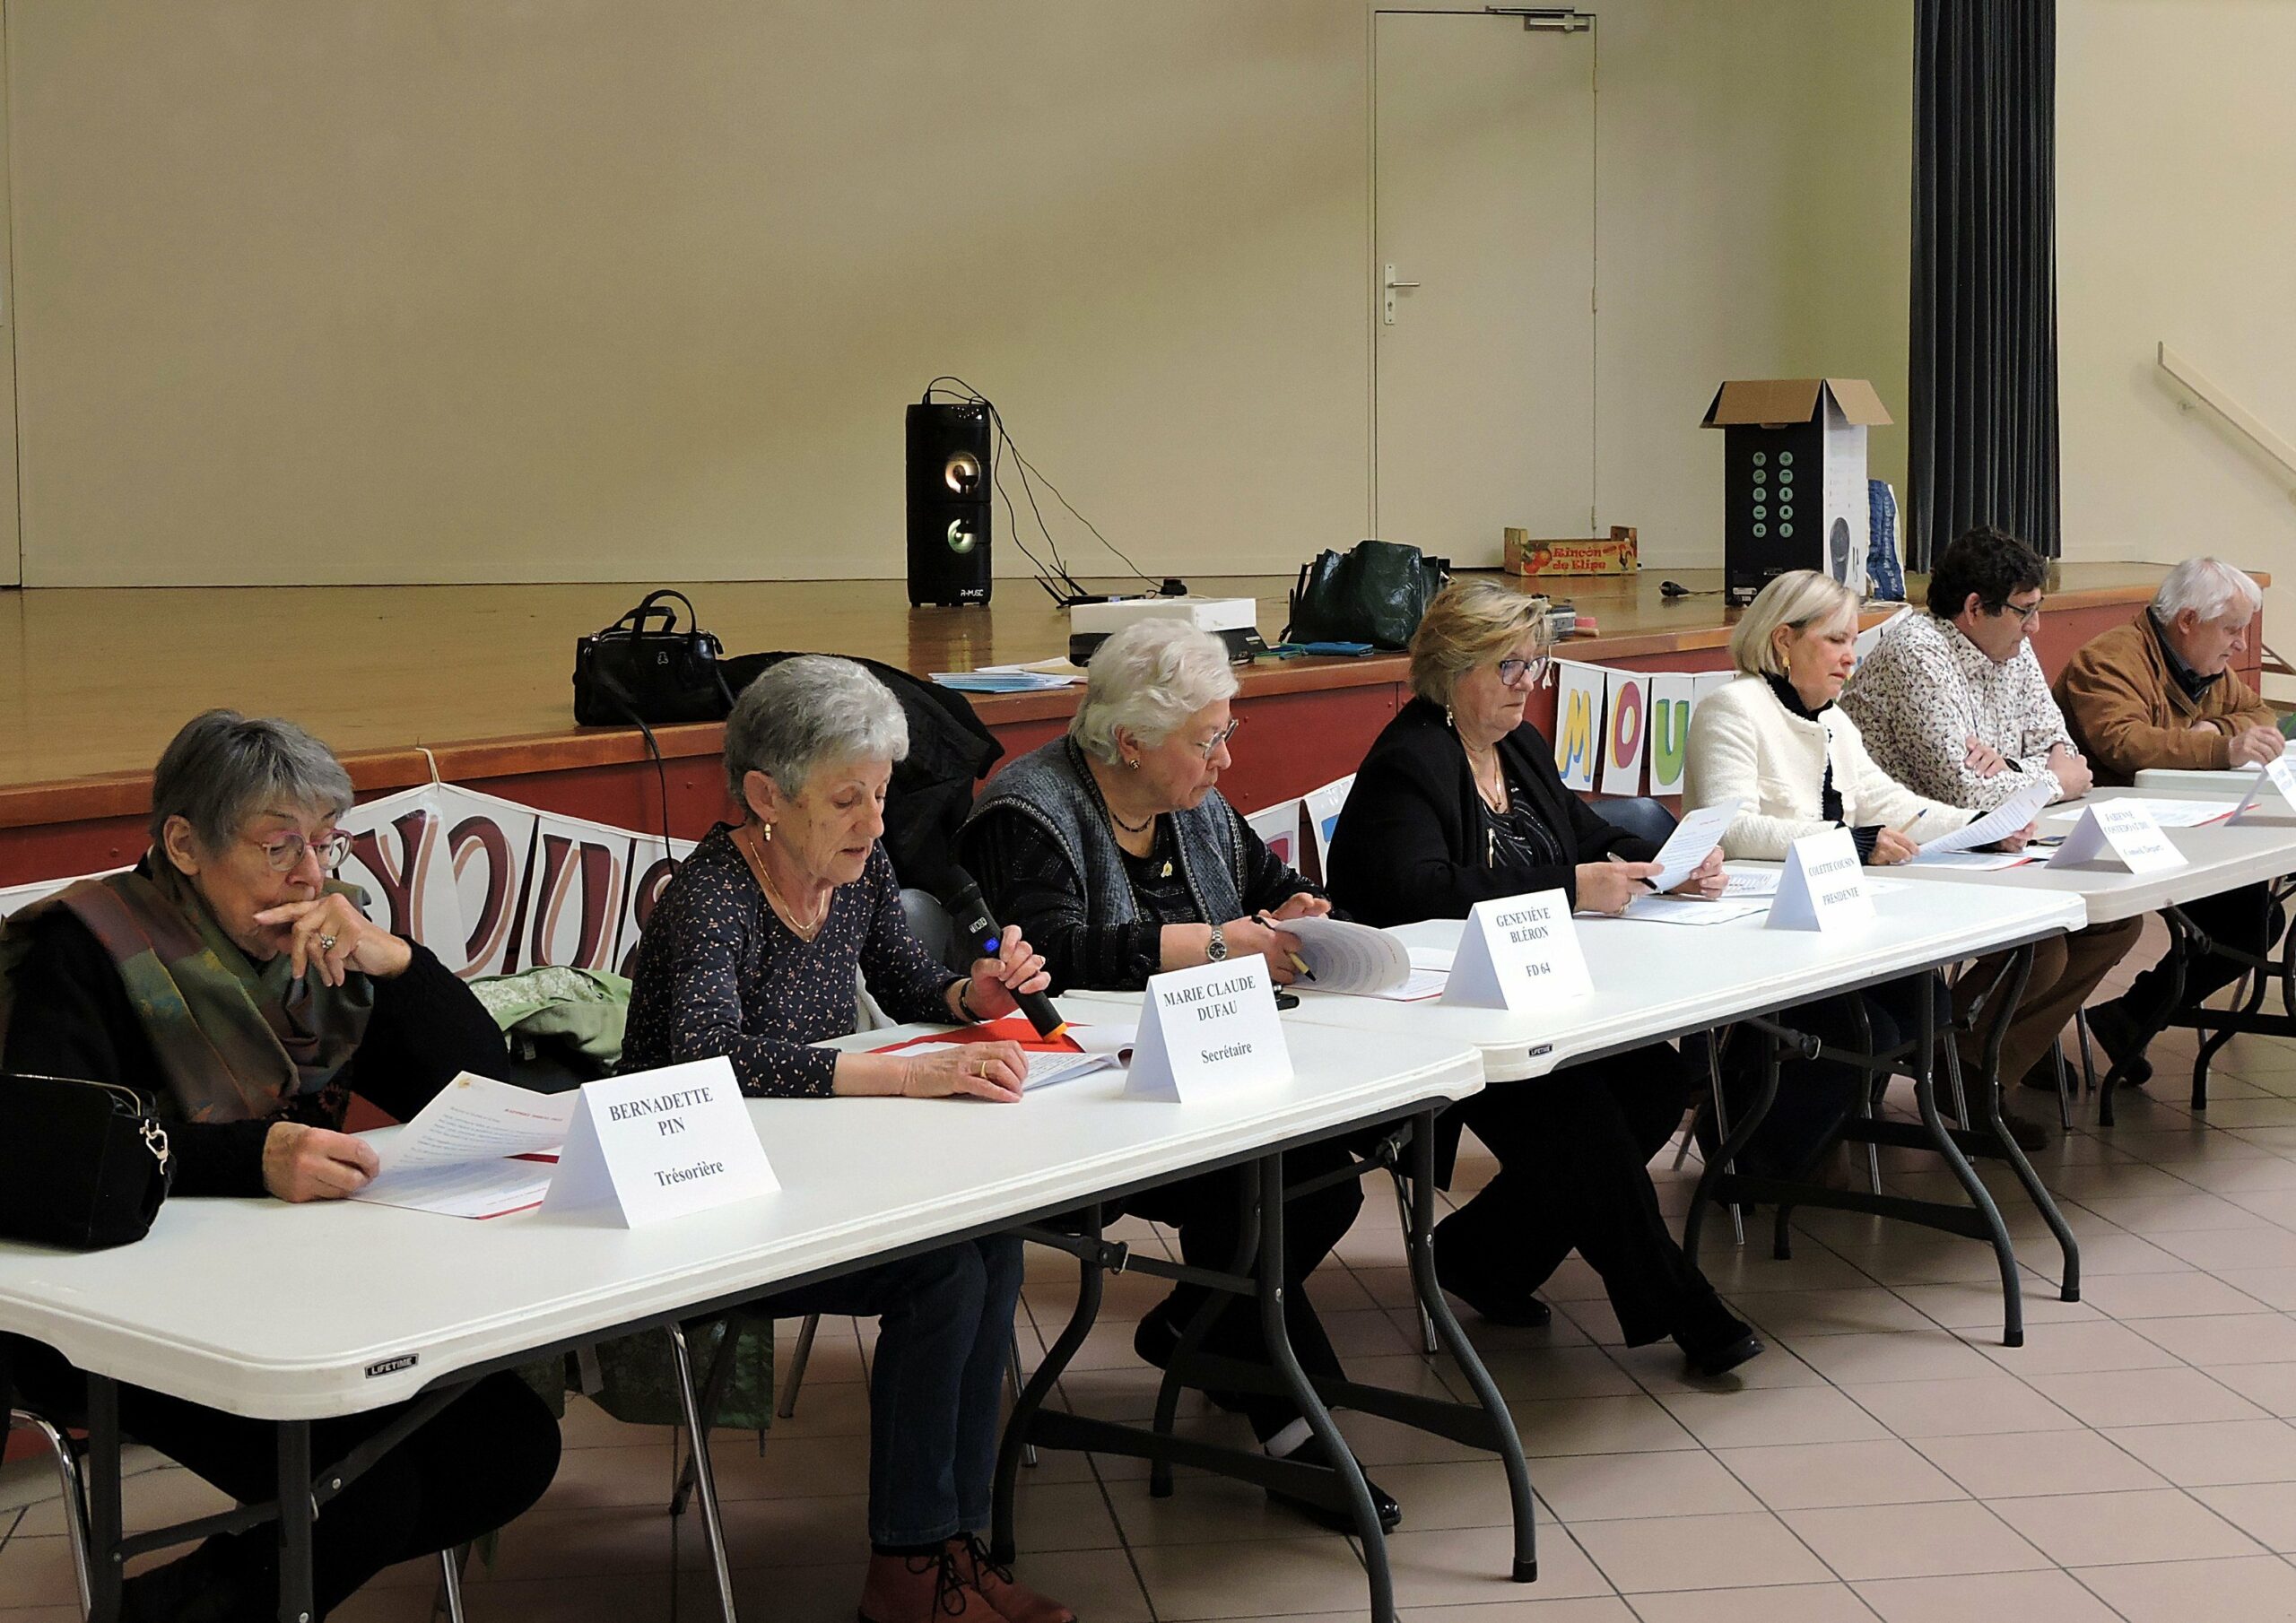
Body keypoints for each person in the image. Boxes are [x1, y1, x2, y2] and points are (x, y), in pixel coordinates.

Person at [0, 711, 561, 1623]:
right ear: (185, 845)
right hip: (114, 1316)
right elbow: (59, 1160)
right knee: (361, 1491)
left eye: (325, 842)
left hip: (293, 1294)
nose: (310, 874)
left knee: (506, 1447)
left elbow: (474, 1086)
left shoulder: (317, 945)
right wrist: (249, 1159)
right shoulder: (87, 950)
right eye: (278, 847)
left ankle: (188, 1598)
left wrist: (396, 961)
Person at [621, 656, 1071, 1623]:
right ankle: (905, 1570)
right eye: (846, 799)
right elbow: (708, 1054)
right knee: (941, 1275)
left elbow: (909, 983)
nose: (874, 821)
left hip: (817, 1181)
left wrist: (973, 996)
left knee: (991, 1244)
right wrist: (903, 1074)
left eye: (880, 794)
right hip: (706, 1201)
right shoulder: (711, 896)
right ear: (764, 797)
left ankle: (955, 1545)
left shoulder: (852, 874)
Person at [959, 620, 1403, 1533]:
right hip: (1083, 1101)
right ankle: (1300, 1432)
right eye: (1208, 739)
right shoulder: (1028, 809)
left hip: (1206, 1074)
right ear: (1130, 740)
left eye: (1225, 733)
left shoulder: (1192, 801)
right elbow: (1052, 956)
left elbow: (1267, 887)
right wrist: (1216, 945)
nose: (1225, 759)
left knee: (1325, 1180)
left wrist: (1297, 912)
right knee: (1249, 1193)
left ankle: (1193, 1330)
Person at [1323, 579, 1762, 1376]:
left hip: (1534, 991)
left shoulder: (1518, 746)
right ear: (1452, 668)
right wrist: (1569, 888)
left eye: (1537, 666)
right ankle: (1679, 1304)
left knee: (1654, 1085)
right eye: (1510, 667)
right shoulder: (1409, 762)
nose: (1529, 684)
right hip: (1442, 1011)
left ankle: (1481, 1257)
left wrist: (1669, 867)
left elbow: (1585, 838)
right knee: (1581, 1117)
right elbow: (1416, 893)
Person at [1684, 571, 2013, 1177]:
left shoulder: (1833, 720)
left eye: (1853, 641)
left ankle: (1813, 1134)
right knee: (1868, 1030)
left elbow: (1891, 805)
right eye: (1836, 640)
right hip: (1762, 927)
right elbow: (1732, 832)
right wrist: (1852, 843)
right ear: (1784, 640)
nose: (1850, 657)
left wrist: (1982, 825)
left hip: (1833, 915)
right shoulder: (1731, 709)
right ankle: (1749, 1148)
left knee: (1927, 1004)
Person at [1841, 525, 2142, 1138]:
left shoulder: (2011, 648)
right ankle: (1960, 1069)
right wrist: (2043, 777)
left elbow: (2065, 751)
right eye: (2025, 611)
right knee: (2043, 946)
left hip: (1998, 841)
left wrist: (2014, 769)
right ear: (1975, 608)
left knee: (2115, 922)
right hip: (1910, 850)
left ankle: (1980, 1060)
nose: (2036, 628)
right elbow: (1963, 792)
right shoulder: (1918, 653)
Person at [2053, 557, 2287, 1082]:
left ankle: (2129, 1016)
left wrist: (2215, 730)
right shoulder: (2108, 660)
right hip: (2101, 837)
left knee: (2254, 920)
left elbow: (2260, 715)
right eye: (2232, 630)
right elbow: (2125, 744)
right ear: (2187, 620)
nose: (2241, 645)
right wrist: (2220, 747)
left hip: (2183, 827)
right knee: (2245, 922)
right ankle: (2037, 1035)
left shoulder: (2204, 665)